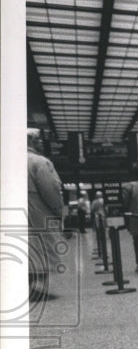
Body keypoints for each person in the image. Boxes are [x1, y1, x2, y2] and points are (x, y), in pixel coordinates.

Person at [26, 128, 64, 300]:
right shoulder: (39, 162)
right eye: (37, 140)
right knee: (40, 255)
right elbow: (51, 191)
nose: (41, 143)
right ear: (29, 141)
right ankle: (29, 289)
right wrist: (58, 210)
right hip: (37, 215)